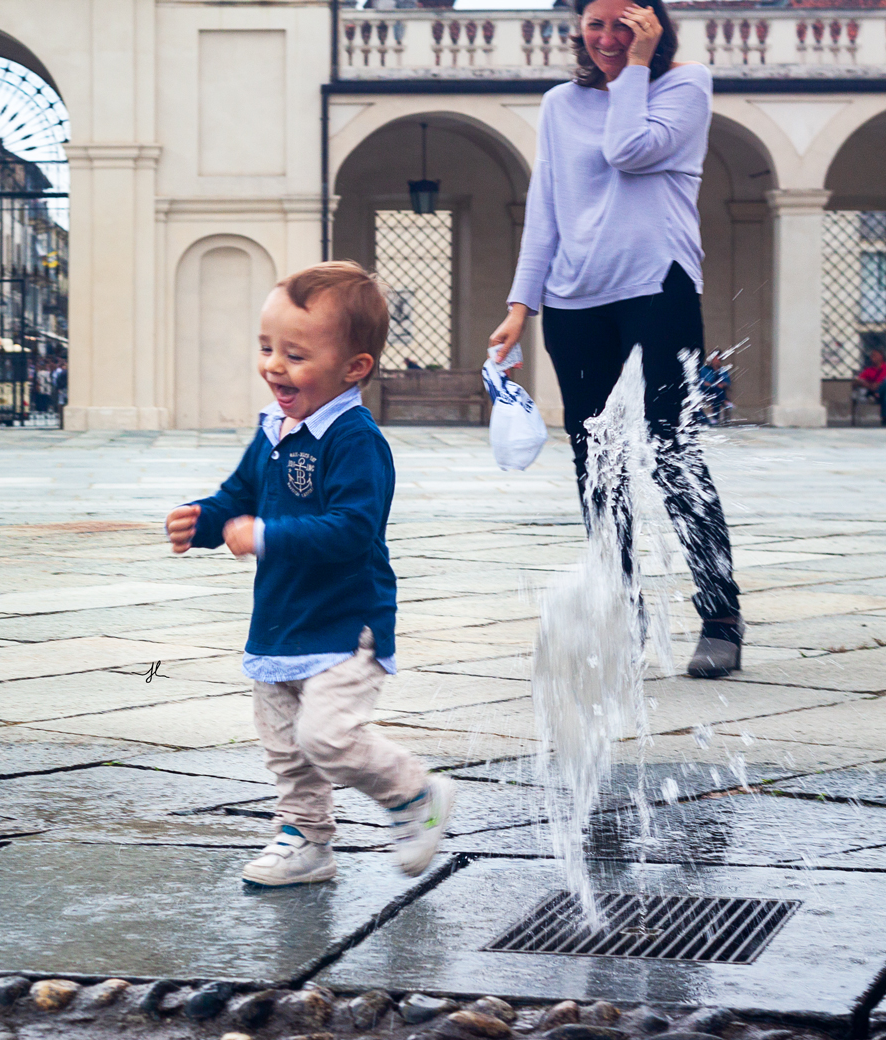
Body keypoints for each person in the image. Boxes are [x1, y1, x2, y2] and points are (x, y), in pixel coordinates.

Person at [165, 260, 455, 887]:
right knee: (285, 748)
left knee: (327, 737)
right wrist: (204, 521)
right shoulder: (274, 430)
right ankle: (305, 840)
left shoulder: (355, 440)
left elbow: (353, 529)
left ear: (354, 368)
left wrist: (266, 535)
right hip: (280, 620)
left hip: (347, 623)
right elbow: (237, 496)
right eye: (267, 348)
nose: (274, 366)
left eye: (295, 355)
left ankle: (414, 794)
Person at [487, 0, 742, 678]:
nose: (606, 38)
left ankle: (720, 615)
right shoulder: (559, 104)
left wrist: (633, 69)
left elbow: (628, 151)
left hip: (659, 284)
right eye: (595, 24)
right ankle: (620, 612)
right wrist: (521, 302)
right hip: (575, 298)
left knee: (671, 446)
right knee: (595, 459)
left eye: (623, 25)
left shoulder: (685, 85)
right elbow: (545, 207)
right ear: (577, 27)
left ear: (652, 26)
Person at [698, 352, 732, 425]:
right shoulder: (705, 369)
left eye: (718, 359)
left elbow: (727, 382)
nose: (716, 360)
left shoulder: (722, 370)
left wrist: (722, 384)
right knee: (717, 390)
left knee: (717, 394)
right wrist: (713, 385)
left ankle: (715, 418)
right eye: (715, 359)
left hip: (716, 391)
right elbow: (702, 381)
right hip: (706, 390)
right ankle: (725, 400)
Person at [854, 348, 886, 426]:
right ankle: (884, 418)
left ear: (881, 357)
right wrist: (868, 384)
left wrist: (878, 385)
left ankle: (884, 418)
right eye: (872, 356)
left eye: (874, 355)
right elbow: (858, 380)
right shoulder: (869, 370)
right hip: (872, 392)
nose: (872, 358)